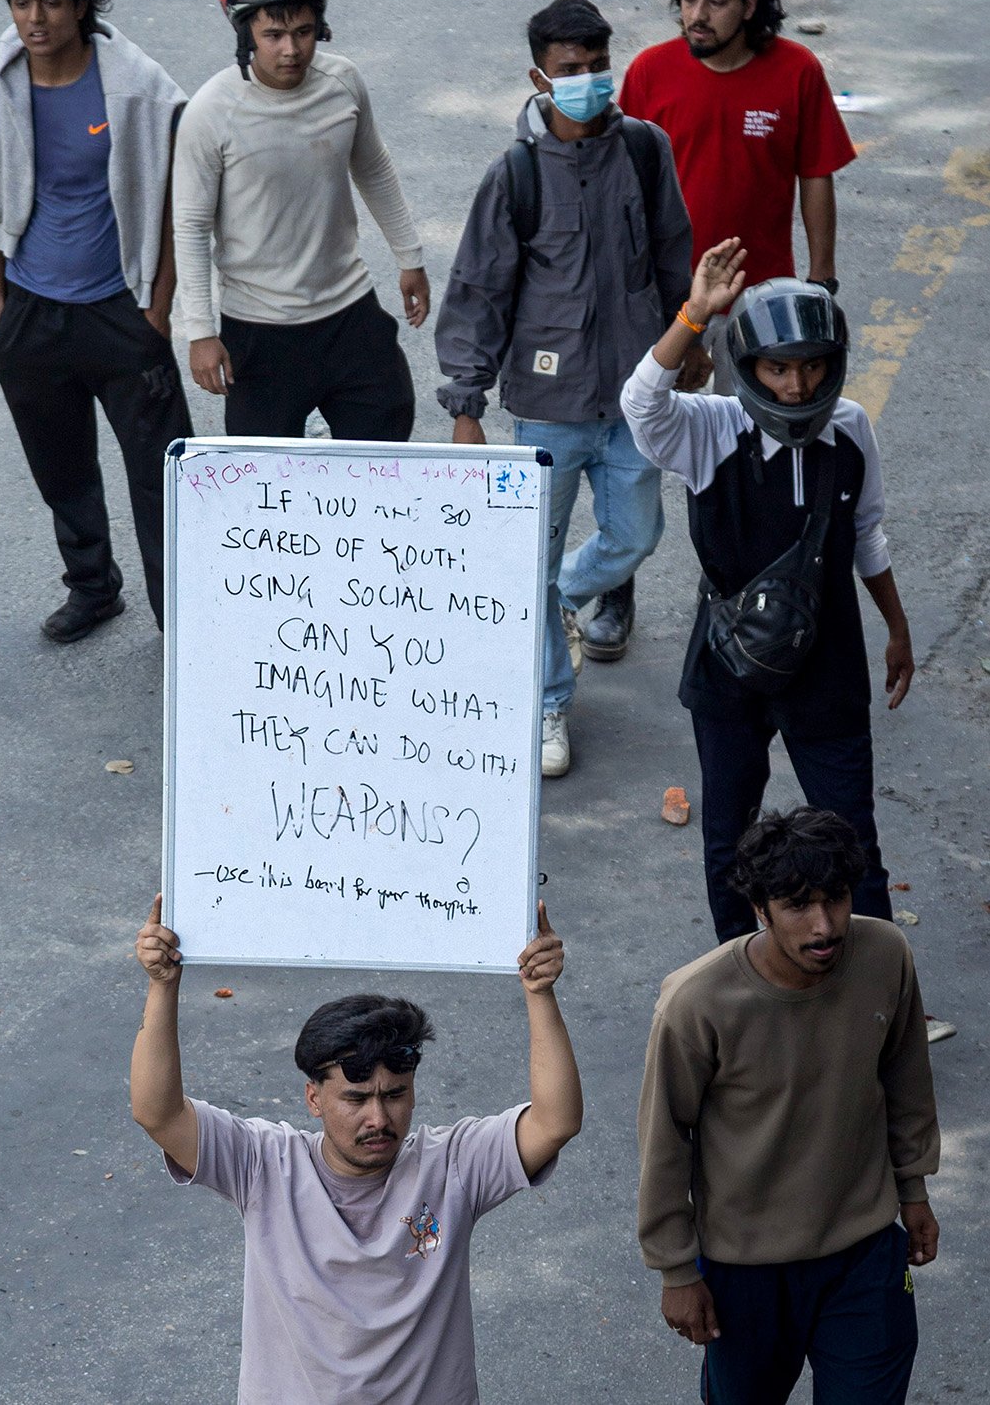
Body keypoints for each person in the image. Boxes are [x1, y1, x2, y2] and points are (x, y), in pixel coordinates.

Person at [131, 896, 582, 1404]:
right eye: (355, 1098)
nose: (379, 1119)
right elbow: (160, 1113)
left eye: (395, 1095)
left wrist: (540, 993)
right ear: (314, 1098)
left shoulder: (452, 1167)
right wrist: (162, 986)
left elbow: (555, 1120)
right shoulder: (264, 1166)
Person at [621, 237, 915, 944]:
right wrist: (693, 316)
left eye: (811, 367)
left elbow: (867, 534)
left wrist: (896, 629)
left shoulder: (849, 429)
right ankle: (739, 985)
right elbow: (639, 403)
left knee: (852, 836)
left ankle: (873, 996)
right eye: (776, 368)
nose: (795, 386)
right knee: (728, 835)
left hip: (828, 662)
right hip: (728, 665)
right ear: (745, 369)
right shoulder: (708, 427)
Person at [435, 0, 699, 777]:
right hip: (547, 410)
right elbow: (478, 288)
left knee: (634, 536)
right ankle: (549, 702)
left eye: (595, 68)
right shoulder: (514, 174)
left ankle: (557, 601)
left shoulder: (645, 151)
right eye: (568, 71)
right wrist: (464, 402)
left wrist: (690, 344)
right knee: (529, 555)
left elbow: (673, 255)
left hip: (633, 399)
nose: (585, 82)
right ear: (538, 77)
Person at [637, 806, 940, 1404]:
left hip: (865, 1255)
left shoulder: (884, 954)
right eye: (798, 905)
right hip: (745, 1273)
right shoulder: (698, 1002)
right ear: (760, 910)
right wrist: (676, 1270)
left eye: (836, 899)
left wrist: (914, 1190)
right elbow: (663, 1142)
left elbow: (906, 1079)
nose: (823, 926)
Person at [0, 0, 191, 643]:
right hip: (32, 313)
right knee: (61, 470)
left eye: (51, 3)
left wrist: (157, 311)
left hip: (120, 311)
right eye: (21, 2)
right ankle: (92, 589)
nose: (35, 19)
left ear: (81, 4)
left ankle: (180, 619)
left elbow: (176, 208)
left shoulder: (139, 89)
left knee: (161, 479)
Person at [174, 0, 429, 440]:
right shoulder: (209, 112)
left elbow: (374, 167)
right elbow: (191, 227)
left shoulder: (343, 84)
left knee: (385, 455)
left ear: (321, 27)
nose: (290, 50)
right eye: (272, 35)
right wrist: (200, 332)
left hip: (349, 314)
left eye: (303, 32)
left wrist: (410, 258)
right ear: (245, 31)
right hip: (258, 331)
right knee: (264, 494)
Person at [620, 0, 856, 390]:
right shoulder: (651, 71)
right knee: (664, 431)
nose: (697, 16)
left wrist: (822, 280)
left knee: (751, 433)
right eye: (688, 0)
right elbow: (626, 185)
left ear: (749, 7)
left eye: (715, 2)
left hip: (760, 294)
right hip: (669, 295)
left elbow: (815, 174)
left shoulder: (797, 70)